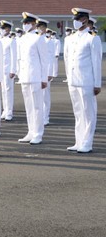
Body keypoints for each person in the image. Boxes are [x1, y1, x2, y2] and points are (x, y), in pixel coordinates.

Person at [64, 8, 102, 153]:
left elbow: (96, 62)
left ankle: (87, 142)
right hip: (73, 81)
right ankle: (78, 141)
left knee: (88, 113)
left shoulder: (92, 38)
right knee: (78, 112)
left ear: (85, 20)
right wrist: (68, 79)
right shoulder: (70, 38)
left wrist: (97, 83)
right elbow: (67, 60)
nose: (74, 22)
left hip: (87, 81)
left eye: (77, 19)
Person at [17, 12, 49, 145]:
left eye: (28, 23)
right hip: (25, 77)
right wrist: (19, 74)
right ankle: (31, 131)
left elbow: (44, 60)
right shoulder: (22, 39)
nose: (25, 25)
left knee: (37, 107)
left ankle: (38, 133)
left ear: (35, 24)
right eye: (24, 23)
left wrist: (44, 79)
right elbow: (20, 59)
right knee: (29, 107)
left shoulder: (39, 38)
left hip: (35, 76)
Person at [36, 19, 55, 126]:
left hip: (46, 71)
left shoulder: (49, 41)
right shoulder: (36, 39)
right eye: (38, 27)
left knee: (45, 96)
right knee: (38, 96)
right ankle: (39, 117)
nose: (39, 29)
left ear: (45, 28)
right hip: (37, 71)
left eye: (41, 27)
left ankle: (45, 117)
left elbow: (51, 58)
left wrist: (50, 73)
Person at [0, 20, 17, 121]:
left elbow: (14, 56)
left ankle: (9, 112)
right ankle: (5, 110)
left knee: (8, 90)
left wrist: (13, 70)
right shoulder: (0, 40)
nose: (2, 30)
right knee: (3, 91)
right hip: (1, 69)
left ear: (8, 29)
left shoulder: (11, 40)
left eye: (3, 28)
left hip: (8, 69)